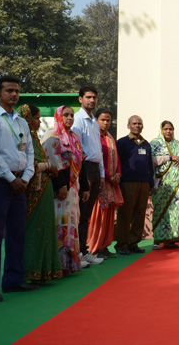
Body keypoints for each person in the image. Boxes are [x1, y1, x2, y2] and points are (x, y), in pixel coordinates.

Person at [0, 76, 38, 302]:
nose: (14, 94)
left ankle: (13, 280)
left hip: (20, 183)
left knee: (17, 233)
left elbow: (29, 152)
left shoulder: (22, 122)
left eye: (16, 91)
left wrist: (26, 177)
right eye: (8, 90)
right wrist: (9, 178)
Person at [42, 106, 90, 273]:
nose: (69, 118)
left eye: (71, 115)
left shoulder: (74, 137)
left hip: (73, 189)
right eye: (66, 115)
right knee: (59, 223)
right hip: (58, 190)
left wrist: (85, 187)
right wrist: (61, 186)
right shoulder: (51, 135)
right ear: (58, 116)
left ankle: (70, 262)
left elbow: (80, 163)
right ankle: (57, 264)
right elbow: (53, 163)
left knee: (72, 223)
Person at [20, 104, 63, 282]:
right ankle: (31, 271)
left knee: (45, 230)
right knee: (33, 231)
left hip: (44, 189)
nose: (38, 122)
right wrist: (49, 166)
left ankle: (45, 271)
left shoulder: (35, 137)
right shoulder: (23, 136)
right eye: (36, 118)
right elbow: (25, 163)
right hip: (32, 191)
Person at [71, 86, 105, 266]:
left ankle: (84, 251)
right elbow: (77, 151)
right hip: (82, 169)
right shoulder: (77, 120)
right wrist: (82, 176)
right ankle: (77, 254)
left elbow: (97, 149)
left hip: (94, 168)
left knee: (86, 214)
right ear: (80, 99)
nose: (92, 100)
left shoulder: (93, 121)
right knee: (80, 213)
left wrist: (101, 174)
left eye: (94, 97)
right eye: (88, 97)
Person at [87, 108, 124, 259]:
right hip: (101, 181)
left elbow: (118, 159)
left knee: (109, 216)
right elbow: (98, 159)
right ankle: (93, 247)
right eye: (103, 119)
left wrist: (118, 174)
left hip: (112, 183)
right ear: (96, 120)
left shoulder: (110, 138)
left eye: (108, 120)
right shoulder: (94, 137)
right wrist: (108, 176)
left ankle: (104, 246)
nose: (106, 123)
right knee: (98, 216)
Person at [115, 115, 155, 255]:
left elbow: (150, 165)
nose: (137, 125)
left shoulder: (146, 144)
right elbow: (117, 164)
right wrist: (118, 184)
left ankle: (133, 243)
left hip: (144, 184)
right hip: (127, 183)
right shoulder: (122, 143)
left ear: (142, 126)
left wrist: (151, 184)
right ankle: (122, 244)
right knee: (125, 214)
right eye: (134, 123)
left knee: (139, 214)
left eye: (139, 123)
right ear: (128, 126)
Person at [150, 120, 179, 250]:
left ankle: (170, 240)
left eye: (171, 129)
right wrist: (170, 157)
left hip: (177, 187)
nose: (168, 131)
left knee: (175, 212)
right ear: (161, 130)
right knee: (160, 210)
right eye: (166, 129)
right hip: (162, 184)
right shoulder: (155, 144)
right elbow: (152, 160)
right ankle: (157, 240)